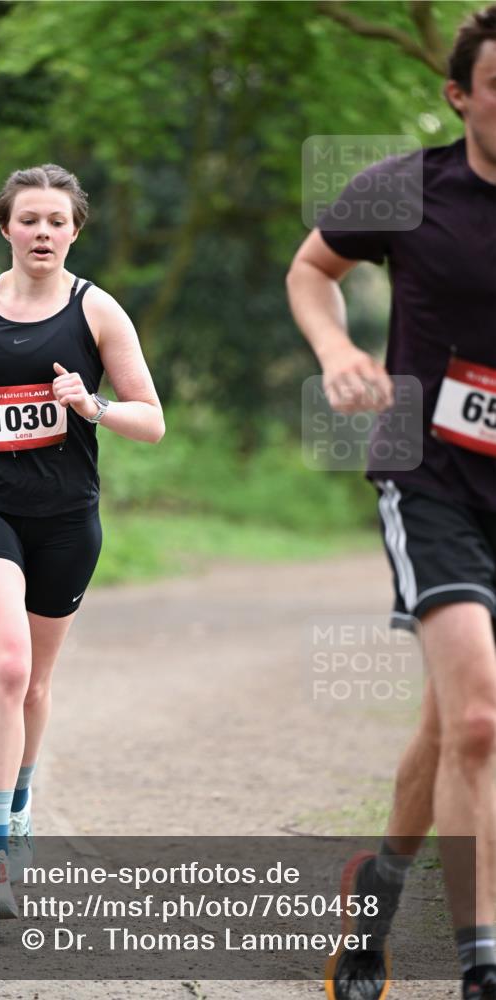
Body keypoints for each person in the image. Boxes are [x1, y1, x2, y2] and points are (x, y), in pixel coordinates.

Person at [286, 6, 496, 999]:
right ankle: (478, 964)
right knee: (483, 721)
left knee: (453, 724)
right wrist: (336, 352)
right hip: (429, 477)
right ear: (461, 97)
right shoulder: (409, 189)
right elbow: (310, 270)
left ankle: (371, 893)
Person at [0, 164, 165, 917]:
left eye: (57, 220)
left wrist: (92, 405)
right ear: (5, 228)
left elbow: (150, 419)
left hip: (65, 515)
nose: (43, 232)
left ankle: (18, 814)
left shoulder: (98, 312)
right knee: (10, 665)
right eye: (29, 220)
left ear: (75, 230)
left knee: (39, 682)